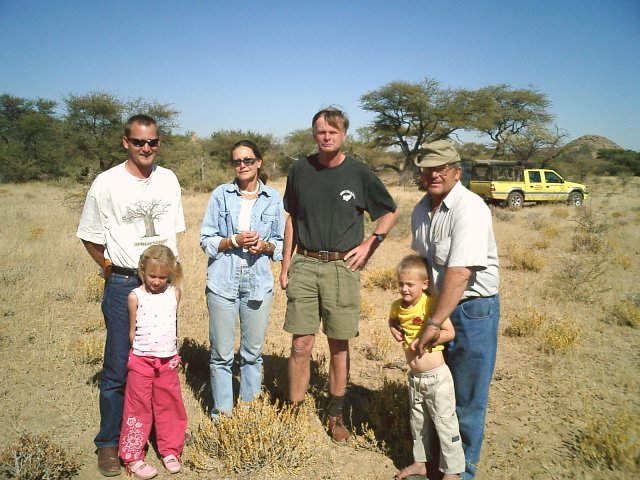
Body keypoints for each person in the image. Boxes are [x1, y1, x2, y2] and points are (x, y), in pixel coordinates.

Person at [280, 107, 398, 442]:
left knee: (338, 343)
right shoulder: (300, 170)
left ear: (344, 134)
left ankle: (336, 413)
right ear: (313, 134)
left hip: (341, 267)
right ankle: (295, 407)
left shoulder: (359, 173)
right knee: (301, 342)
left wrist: (369, 244)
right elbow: (292, 218)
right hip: (304, 262)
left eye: (333, 131)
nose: (326, 136)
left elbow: (388, 212)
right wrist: (286, 263)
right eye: (320, 131)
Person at [77, 114, 186, 476]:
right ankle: (109, 443)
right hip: (125, 285)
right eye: (139, 142)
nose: (146, 148)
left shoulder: (168, 179)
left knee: (160, 364)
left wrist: (172, 284)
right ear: (126, 142)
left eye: (152, 142)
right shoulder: (107, 183)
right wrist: (111, 270)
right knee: (120, 366)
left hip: (164, 286)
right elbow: (90, 235)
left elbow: (174, 233)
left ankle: (155, 440)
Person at [410, 139, 500, 480]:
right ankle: (433, 462)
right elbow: (422, 264)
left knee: (467, 396)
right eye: (427, 168)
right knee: (435, 390)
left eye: (441, 168)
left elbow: (460, 273)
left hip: (471, 311)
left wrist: (434, 321)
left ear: (456, 171)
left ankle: (460, 472)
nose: (433, 174)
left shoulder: (470, 207)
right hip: (435, 308)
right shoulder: (420, 209)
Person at [200, 140, 284, 417]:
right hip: (223, 282)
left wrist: (266, 246)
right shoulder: (221, 195)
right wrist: (233, 240)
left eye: (248, 160)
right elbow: (206, 241)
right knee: (221, 355)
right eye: (237, 161)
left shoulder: (273, 198)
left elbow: (281, 244)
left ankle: (249, 414)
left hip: (257, 283)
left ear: (259, 162)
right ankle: (222, 415)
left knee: (252, 353)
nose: (243, 165)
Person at [388, 255, 464, 480]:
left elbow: (450, 333)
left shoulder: (430, 304)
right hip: (415, 378)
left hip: (437, 378)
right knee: (418, 423)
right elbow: (393, 320)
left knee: (445, 424)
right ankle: (420, 463)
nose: (404, 289)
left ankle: (452, 472)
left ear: (424, 284)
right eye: (400, 283)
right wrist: (393, 328)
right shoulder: (397, 306)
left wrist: (425, 340)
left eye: (410, 284)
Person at [119, 245, 187, 479]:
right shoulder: (135, 296)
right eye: (151, 276)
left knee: (170, 405)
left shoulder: (174, 293)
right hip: (141, 361)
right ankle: (133, 457)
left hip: (167, 361)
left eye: (162, 276)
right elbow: (132, 332)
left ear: (170, 274)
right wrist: (140, 356)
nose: (156, 281)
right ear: (142, 270)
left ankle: (170, 450)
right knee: (137, 408)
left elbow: (171, 325)